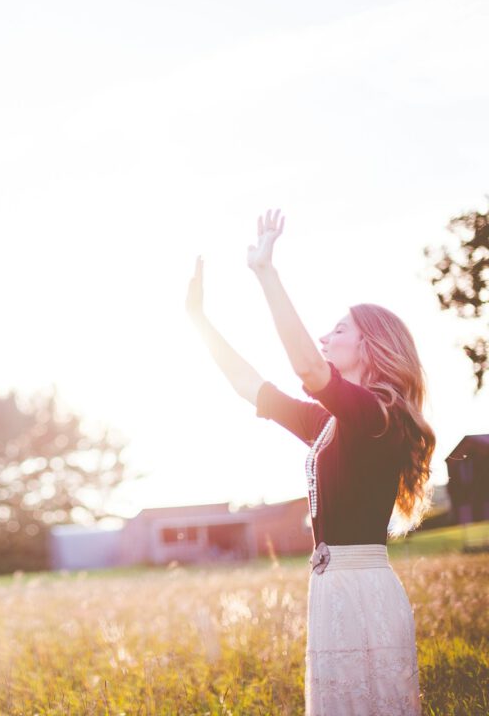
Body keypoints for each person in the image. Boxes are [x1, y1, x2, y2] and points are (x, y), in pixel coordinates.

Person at [185, 209, 435, 715]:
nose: (325, 338)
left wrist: (266, 273)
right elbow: (251, 387)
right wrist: (199, 322)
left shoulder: (378, 415)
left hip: (364, 594)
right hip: (332, 591)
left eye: (338, 330)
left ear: (371, 344)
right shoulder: (332, 423)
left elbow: (306, 367)